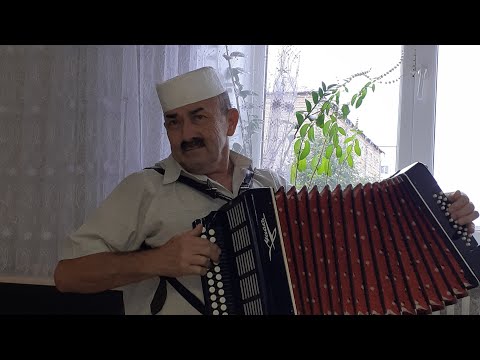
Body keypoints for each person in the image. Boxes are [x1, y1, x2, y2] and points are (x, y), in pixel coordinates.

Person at [53, 66, 480, 315]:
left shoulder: (269, 186)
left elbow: (348, 246)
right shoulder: (143, 189)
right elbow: (67, 276)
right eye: (173, 121)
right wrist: (159, 259)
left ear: (231, 121)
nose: (184, 134)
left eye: (198, 117)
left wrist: (439, 219)